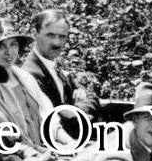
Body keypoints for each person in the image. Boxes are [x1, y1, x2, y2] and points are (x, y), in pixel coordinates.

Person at [0, 17, 61, 149]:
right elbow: (2, 134)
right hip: (20, 157)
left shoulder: (25, 77)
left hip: (46, 148)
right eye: (1, 47)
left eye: (13, 44)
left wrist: (69, 142)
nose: (9, 52)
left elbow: (51, 119)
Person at [21, 9, 97, 138]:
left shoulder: (55, 64)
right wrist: (78, 108)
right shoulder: (30, 74)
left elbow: (91, 96)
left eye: (62, 37)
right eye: (50, 35)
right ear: (35, 34)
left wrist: (78, 107)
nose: (57, 43)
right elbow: (56, 118)